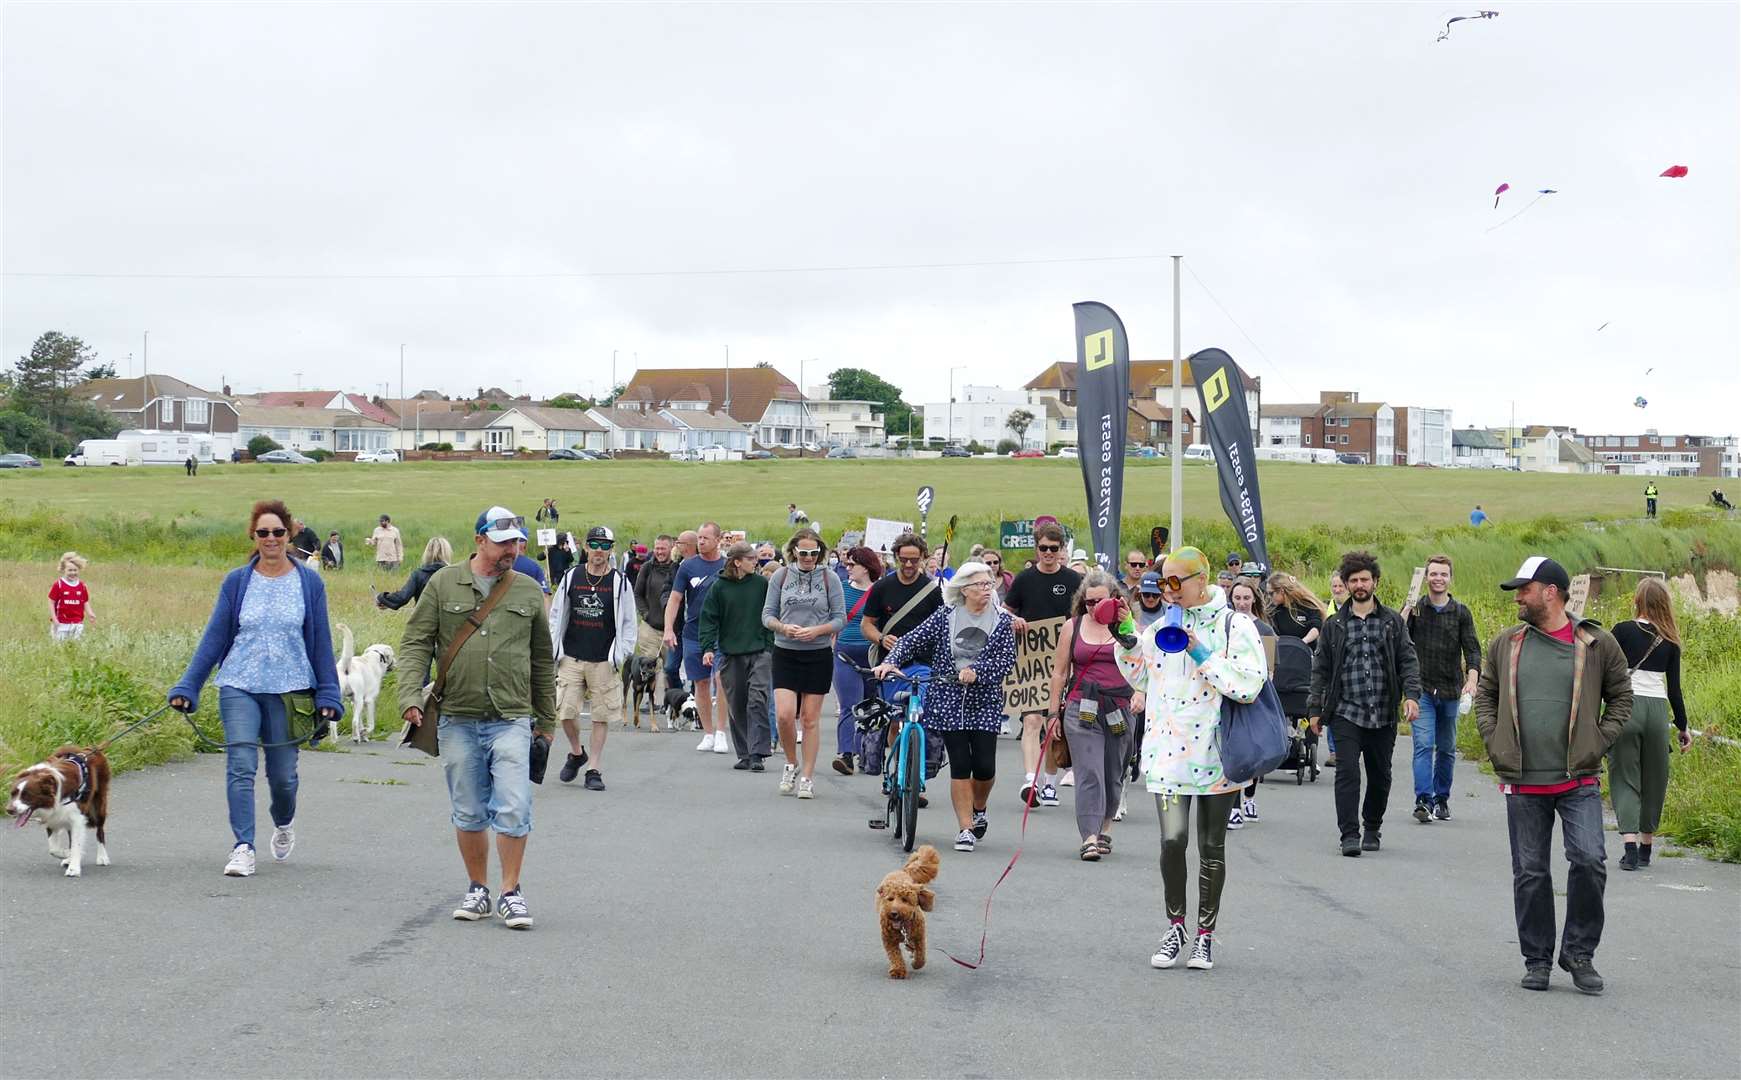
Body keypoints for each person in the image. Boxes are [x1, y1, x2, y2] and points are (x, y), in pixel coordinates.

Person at [1475, 556, 1631, 993]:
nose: (1517, 597)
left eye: (1524, 589)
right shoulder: (1507, 643)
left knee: (1589, 861)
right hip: (1523, 779)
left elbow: (1622, 696)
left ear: (1551, 592)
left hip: (1577, 777)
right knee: (1530, 872)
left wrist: (1599, 741)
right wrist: (1493, 738)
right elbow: (1486, 694)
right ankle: (1538, 958)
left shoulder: (1597, 643)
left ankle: (1579, 953)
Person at [397, 506, 556, 929]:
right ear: (480, 540)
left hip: (511, 716)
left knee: (514, 804)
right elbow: (416, 644)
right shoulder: (442, 583)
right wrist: (410, 695)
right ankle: (477, 888)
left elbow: (542, 659)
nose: (512, 549)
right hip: (457, 717)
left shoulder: (525, 590)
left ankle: (510, 892)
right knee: (468, 809)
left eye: (517, 542)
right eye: (503, 542)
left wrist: (547, 720)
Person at [168, 499, 342, 878]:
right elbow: (215, 637)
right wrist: (188, 686)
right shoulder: (237, 581)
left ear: (289, 534)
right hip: (239, 684)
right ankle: (243, 846)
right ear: (254, 535)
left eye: (278, 532)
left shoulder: (309, 581)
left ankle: (283, 822)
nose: (271, 539)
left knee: (283, 778)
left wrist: (328, 693)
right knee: (241, 765)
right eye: (263, 532)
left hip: (290, 688)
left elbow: (320, 642)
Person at [1114, 546, 1265, 972]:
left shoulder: (1236, 625)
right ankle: (1175, 924)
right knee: (1171, 841)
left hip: (1217, 754)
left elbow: (1247, 685)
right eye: (1164, 584)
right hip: (1167, 755)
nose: (1169, 592)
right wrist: (1126, 641)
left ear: (1203, 579)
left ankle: (1204, 935)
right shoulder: (1160, 627)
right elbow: (1142, 675)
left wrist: (1200, 651)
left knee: (1211, 846)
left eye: (1177, 583)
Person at [875, 561, 1017, 853]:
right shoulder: (945, 616)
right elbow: (911, 641)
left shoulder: (1001, 621)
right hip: (948, 697)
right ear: (964, 589)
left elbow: (1006, 660)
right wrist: (891, 661)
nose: (987, 589)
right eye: (981, 584)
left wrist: (979, 671)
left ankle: (979, 808)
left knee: (985, 766)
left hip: (984, 701)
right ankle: (965, 828)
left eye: (990, 584)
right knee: (961, 765)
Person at [1308, 551, 1422, 857]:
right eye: (1354, 580)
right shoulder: (1334, 625)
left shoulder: (1392, 622)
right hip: (1346, 709)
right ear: (1345, 584)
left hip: (1383, 710)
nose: (1360, 585)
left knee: (1380, 773)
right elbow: (1320, 670)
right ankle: (1349, 833)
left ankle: (1372, 826)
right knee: (1347, 771)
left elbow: (1408, 661)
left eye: (1365, 579)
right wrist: (1315, 710)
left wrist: (1411, 696)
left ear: (1375, 582)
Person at [1048, 570, 1140, 860]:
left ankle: (1105, 828)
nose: (1093, 607)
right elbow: (1059, 672)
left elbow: (1144, 667)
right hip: (1081, 705)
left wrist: (1141, 694)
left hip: (1119, 706)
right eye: (1088, 602)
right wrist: (1052, 714)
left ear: (1115, 600)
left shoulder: (1129, 627)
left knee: (1113, 772)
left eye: (1099, 601)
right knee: (1089, 771)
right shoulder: (1072, 627)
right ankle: (1088, 836)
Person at [1607, 577, 1691, 871]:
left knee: (1625, 777)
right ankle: (1646, 849)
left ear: (1637, 601)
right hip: (1657, 711)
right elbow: (1675, 690)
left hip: (1626, 705)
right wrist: (1682, 727)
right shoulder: (1670, 640)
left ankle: (1629, 848)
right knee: (1654, 779)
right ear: (1664, 605)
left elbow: (1606, 671)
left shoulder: (1621, 631)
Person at [548, 525, 637, 792]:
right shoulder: (571, 576)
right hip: (572, 656)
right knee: (566, 711)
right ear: (586, 547)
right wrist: (555, 648)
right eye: (594, 545)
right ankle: (577, 753)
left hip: (603, 659)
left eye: (604, 546)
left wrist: (621, 654)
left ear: (611, 549)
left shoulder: (620, 582)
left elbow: (630, 622)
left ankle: (593, 768)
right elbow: (556, 614)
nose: (598, 551)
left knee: (600, 714)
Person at [1003, 521, 1083, 806]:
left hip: (1064, 661)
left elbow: (1086, 616)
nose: (1048, 553)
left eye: (1053, 548)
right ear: (1036, 548)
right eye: (1042, 548)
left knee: (1054, 723)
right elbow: (1005, 613)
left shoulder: (1073, 580)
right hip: (1031, 661)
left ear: (1061, 549)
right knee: (1032, 720)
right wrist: (1014, 620)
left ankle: (1049, 781)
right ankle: (1030, 780)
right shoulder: (1024, 580)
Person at [763, 527, 846, 798]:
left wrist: (817, 631)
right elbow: (767, 615)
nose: (809, 557)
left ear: (820, 552)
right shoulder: (781, 575)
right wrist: (783, 628)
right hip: (786, 651)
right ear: (794, 552)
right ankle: (791, 762)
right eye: (804, 552)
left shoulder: (829, 577)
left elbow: (840, 618)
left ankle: (807, 777)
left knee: (810, 719)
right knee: (785, 715)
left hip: (817, 653)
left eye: (814, 552)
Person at [1401, 554, 1482, 824]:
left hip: (1450, 690)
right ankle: (1423, 799)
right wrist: (1406, 609)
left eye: (1443, 574)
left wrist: (1472, 680)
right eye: (1433, 574)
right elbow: (1396, 638)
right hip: (1421, 689)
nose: (1438, 579)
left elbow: (1472, 650)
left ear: (1450, 578)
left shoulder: (1460, 612)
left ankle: (1441, 799)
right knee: (1424, 745)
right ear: (1426, 578)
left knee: (1446, 748)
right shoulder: (1415, 609)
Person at [699, 541, 774, 771]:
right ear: (737, 562)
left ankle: (759, 752)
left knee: (757, 698)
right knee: (737, 703)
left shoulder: (761, 583)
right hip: (731, 654)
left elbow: (771, 612)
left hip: (760, 651)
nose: (756, 562)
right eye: (751, 559)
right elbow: (709, 619)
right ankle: (745, 753)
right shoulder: (719, 588)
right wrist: (708, 648)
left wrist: (769, 646)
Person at [665, 522, 729, 753]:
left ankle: (721, 732)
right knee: (700, 683)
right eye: (699, 538)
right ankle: (708, 733)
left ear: (717, 540)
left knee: (721, 680)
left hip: (724, 634)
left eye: (705, 538)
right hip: (694, 633)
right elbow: (675, 599)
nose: (700, 542)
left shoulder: (728, 565)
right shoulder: (687, 567)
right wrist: (668, 629)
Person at [1225, 578, 1276, 829]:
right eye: (1238, 598)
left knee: (1254, 749)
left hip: (1255, 695)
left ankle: (1250, 796)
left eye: (1246, 598)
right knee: (1234, 750)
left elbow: (1269, 670)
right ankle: (1233, 805)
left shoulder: (1264, 630)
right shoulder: (1224, 625)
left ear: (1254, 599)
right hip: (1229, 695)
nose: (1242, 603)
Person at [861, 532, 946, 678]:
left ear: (922, 559)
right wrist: (881, 638)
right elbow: (866, 624)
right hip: (889, 664)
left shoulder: (932, 591)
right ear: (896, 558)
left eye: (914, 560)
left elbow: (942, 629)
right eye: (903, 559)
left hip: (922, 665)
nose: (908, 564)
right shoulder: (882, 587)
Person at [831, 546, 883, 775]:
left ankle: (867, 751)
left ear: (866, 567)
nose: (847, 568)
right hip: (845, 654)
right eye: (846, 564)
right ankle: (846, 754)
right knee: (849, 705)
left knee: (871, 706)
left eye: (852, 565)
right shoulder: (841, 590)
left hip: (873, 656)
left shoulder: (881, 591)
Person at [632, 534, 679, 692]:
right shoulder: (647, 567)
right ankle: (650, 699)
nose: (659, 552)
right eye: (657, 548)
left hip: (672, 628)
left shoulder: (678, 568)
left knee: (670, 668)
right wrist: (645, 614)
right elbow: (637, 593)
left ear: (671, 548)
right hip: (650, 627)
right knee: (650, 664)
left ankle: (669, 698)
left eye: (663, 548)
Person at [378, 536, 453, 610]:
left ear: (427, 552)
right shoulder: (454, 574)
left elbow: (402, 597)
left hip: (424, 619)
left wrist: (383, 598)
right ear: (447, 552)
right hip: (451, 619)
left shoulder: (418, 574)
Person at [1266, 572, 1325, 645]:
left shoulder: (1307, 605)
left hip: (1306, 651)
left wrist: (1302, 642)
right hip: (1283, 651)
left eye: (1271, 593)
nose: (1269, 597)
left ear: (1281, 591)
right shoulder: (1273, 611)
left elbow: (1316, 627)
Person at [48, 551, 92, 642]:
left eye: (75, 570)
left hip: (77, 623)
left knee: (75, 647)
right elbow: (51, 601)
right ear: (64, 570)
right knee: (59, 649)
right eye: (70, 570)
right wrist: (54, 619)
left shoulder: (82, 586)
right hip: (61, 623)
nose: (73, 573)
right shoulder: (58, 585)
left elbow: (85, 601)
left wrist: (90, 613)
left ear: (79, 570)